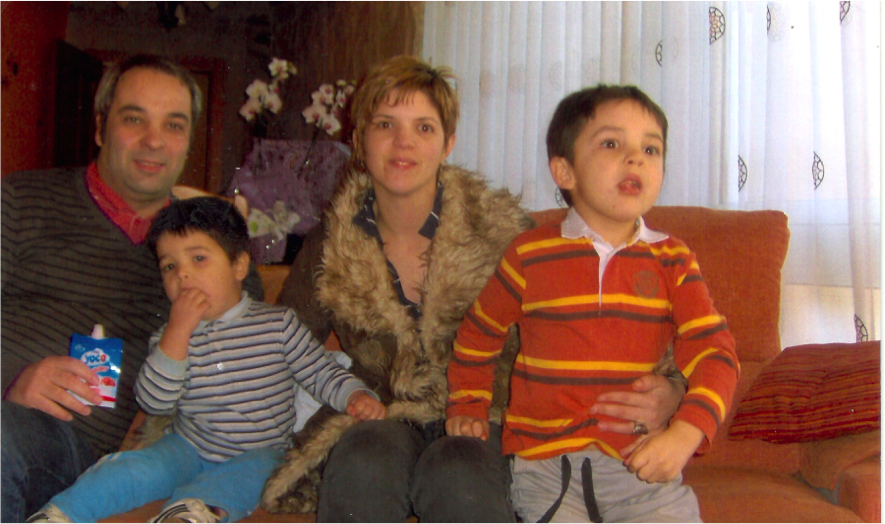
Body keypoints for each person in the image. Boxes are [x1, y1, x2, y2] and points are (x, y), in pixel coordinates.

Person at [261, 56, 686, 524]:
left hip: (488, 415)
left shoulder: (504, 230)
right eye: (385, 124)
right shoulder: (330, 242)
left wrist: (671, 391)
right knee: (363, 462)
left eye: (424, 127)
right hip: (381, 416)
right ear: (359, 138)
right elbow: (282, 343)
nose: (404, 141)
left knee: (458, 474)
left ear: (448, 144)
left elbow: (611, 326)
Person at [446, 85, 740, 523]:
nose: (636, 158)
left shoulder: (673, 259)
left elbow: (717, 353)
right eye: (611, 143)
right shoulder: (529, 253)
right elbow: (478, 332)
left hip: (640, 466)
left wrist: (685, 433)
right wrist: (468, 403)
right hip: (546, 468)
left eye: (651, 149)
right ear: (565, 171)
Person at [0, 54, 263, 523]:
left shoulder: (211, 249)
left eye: (173, 125)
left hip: (84, 454)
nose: (154, 141)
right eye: (134, 119)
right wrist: (10, 382)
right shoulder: (19, 200)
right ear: (101, 128)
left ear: (188, 142)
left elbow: (251, 374)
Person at [25, 197, 386, 524]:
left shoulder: (278, 324)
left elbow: (320, 372)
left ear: (239, 265)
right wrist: (178, 333)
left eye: (198, 259)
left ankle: (189, 513)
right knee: (137, 468)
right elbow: (154, 401)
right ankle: (63, 513)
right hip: (186, 447)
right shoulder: (169, 336)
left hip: (260, 451)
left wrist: (355, 395)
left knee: (258, 475)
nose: (182, 274)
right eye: (169, 266)